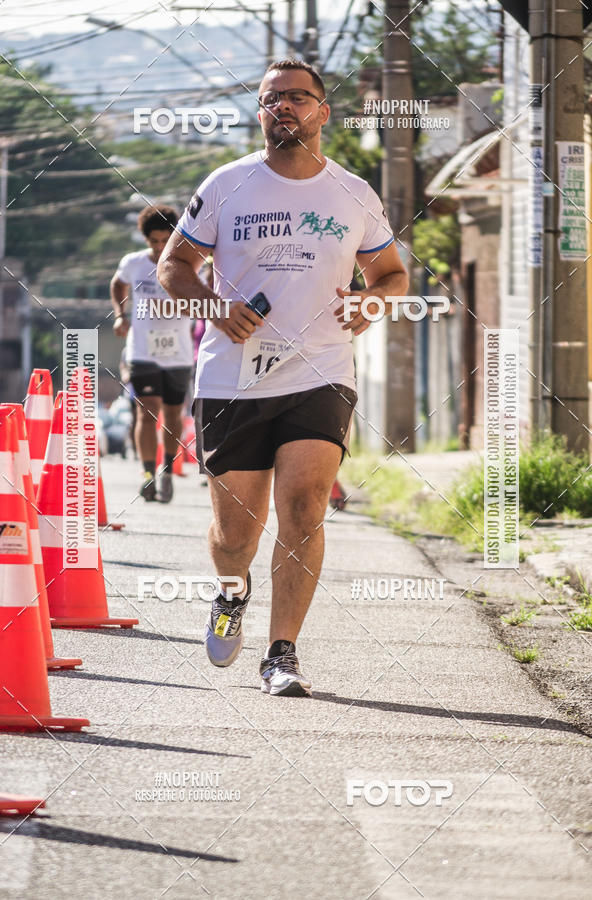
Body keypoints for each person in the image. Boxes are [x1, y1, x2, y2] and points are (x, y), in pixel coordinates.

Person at [158, 59, 409, 696]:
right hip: (233, 379)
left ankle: (282, 652)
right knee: (235, 535)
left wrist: (370, 302)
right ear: (261, 112)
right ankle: (230, 592)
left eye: (299, 98)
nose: (284, 108)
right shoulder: (227, 184)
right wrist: (214, 307)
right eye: (272, 99)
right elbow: (175, 265)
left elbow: (392, 276)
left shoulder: (354, 192)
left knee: (303, 507)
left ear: (324, 112)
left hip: (321, 370)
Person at [111, 205, 194, 503]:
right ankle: (147, 474)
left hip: (178, 353)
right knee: (146, 411)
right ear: (145, 239)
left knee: (173, 413)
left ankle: (167, 470)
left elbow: (207, 295)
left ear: (174, 237)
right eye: (154, 241)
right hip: (142, 350)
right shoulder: (133, 264)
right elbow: (118, 284)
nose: (160, 247)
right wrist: (121, 314)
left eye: (165, 240)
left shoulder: (189, 264)